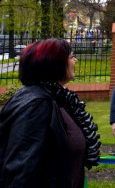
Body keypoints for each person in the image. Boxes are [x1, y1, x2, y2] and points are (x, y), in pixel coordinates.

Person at [0, 39, 101, 187]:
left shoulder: (59, 99)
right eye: (72, 56)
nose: (76, 60)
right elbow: (22, 167)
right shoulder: (37, 105)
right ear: (55, 63)